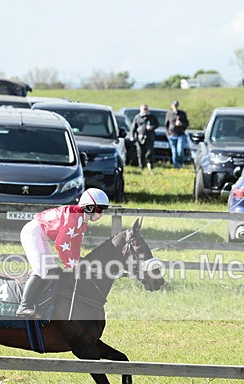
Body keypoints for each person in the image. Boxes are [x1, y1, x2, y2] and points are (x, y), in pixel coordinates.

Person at [16, 188, 110, 318]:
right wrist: (71, 265)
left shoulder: (82, 223)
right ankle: (23, 306)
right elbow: (60, 244)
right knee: (41, 269)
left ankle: (40, 302)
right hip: (32, 233)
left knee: (51, 270)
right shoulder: (74, 217)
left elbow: (75, 246)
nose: (101, 214)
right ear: (89, 208)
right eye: (99, 210)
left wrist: (76, 262)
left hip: (41, 235)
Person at [130, 104, 159, 171]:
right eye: (144, 109)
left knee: (149, 152)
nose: (145, 110)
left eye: (146, 109)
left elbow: (157, 124)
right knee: (140, 152)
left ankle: (150, 165)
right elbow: (133, 128)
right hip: (140, 138)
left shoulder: (152, 116)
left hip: (150, 137)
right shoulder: (137, 117)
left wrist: (152, 127)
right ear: (141, 109)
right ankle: (141, 167)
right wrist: (132, 136)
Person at [164, 100, 189, 169]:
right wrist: (168, 135)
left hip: (180, 135)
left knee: (180, 150)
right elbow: (166, 126)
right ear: (172, 106)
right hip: (172, 135)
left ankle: (181, 163)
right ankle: (176, 166)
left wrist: (181, 124)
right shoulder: (169, 114)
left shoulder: (182, 114)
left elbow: (187, 124)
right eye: (174, 105)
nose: (175, 106)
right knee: (174, 152)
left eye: (176, 105)